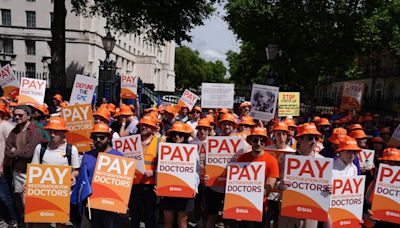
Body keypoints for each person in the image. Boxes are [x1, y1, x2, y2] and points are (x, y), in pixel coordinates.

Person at [30, 117, 80, 228]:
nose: (52, 134)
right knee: (41, 221)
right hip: (42, 193)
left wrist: (72, 176)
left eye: (56, 132)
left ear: (63, 133)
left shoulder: (72, 149)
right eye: (50, 131)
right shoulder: (40, 148)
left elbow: (76, 170)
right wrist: (28, 184)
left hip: (62, 193)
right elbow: (34, 170)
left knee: (60, 222)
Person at [278, 123, 328, 228]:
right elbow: (279, 183)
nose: (314, 141)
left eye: (316, 138)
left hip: (311, 211)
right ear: (299, 140)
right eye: (310, 138)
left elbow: (326, 188)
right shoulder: (287, 159)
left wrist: (329, 189)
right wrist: (280, 186)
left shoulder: (322, 161)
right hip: (289, 209)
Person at [76, 123, 123, 228]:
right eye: (95, 137)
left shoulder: (119, 157)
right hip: (89, 204)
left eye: (101, 137)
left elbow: (123, 183)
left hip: (110, 206)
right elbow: (82, 178)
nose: (98, 140)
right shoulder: (87, 155)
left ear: (109, 138)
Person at [5, 105, 43, 227]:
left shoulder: (35, 131)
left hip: (31, 173)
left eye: (20, 115)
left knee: (30, 203)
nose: (17, 117)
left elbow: (29, 153)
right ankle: (25, 224)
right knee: (19, 202)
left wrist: (14, 152)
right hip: (17, 171)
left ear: (28, 115)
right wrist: (15, 153)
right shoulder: (14, 131)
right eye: (15, 115)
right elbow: (7, 151)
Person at [158, 121, 199, 228]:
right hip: (167, 191)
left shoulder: (192, 150)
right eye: (174, 134)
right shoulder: (164, 149)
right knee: (168, 222)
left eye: (180, 134)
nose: (177, 136)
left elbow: (196, 171)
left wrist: (194, 187)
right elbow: (160, 169)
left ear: (185, 136)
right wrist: (158, 184)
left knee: (182, 223)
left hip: (185, 191)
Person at [236, 127, 279, 227]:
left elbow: (269, 185)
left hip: (259, 206)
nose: (258, 143)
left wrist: (259, 191)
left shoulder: (272, 161)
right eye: (255, 140)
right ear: (250, 141)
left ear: (265, 143)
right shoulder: (242, 158)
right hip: (242, 204)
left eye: (262, 141)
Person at [205, 113, 237, 228]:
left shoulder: (241, 144)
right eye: (224, 124)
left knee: (230, 219)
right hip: (214, 187)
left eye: (229, 124)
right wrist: (205, 175)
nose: (227, 127)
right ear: (220, 126)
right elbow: (205, 163)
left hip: (232, 188)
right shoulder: (212, 142)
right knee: (211, 217)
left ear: (233, 126)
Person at [129, 116, 159, 228]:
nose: (143, 127)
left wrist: (154, 172)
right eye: (142, 125)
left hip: (151, 186)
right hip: (134, 185)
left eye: (147, 125)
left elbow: (165, 165)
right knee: (134, 216)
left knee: (150, 216)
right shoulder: (132, 141)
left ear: (153, 128)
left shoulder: (160, 142)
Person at [363, 148, 400, 227]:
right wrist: (366, 209)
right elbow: (360, 196)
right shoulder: (371, 175)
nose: (392, 164)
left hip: (395, 220)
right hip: (373, 220)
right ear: (382, 162)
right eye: (389, 161)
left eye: (396, 162)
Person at [189, 118, 212, 227]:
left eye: (205, 129)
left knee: (207, 202)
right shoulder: (191, 143)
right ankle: (197, 220)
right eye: (200, 128)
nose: (203, 131)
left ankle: (205, 220)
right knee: (197, 201)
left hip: (209, 176)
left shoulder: (214, 143)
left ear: (209, 130)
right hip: (195, 176)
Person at [0, 104, 17, 228]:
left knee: (4, 195)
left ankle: (13, 219)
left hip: (3, 167)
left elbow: (10, 147)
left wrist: (3, 163)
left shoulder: (7, 126)